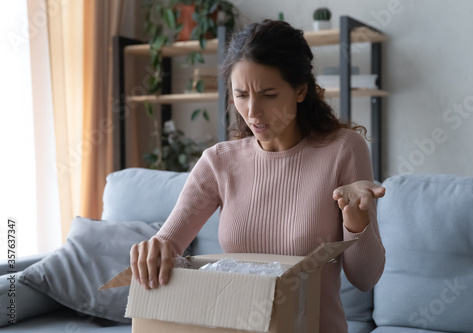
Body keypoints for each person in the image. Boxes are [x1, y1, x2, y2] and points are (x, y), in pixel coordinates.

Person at [130, 19, 386, 333]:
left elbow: (365, 279)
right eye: (241, 95)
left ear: (300, 90)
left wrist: (356, 220)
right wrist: (154, 250)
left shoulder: (343, 150)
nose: (252, 112)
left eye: (268, 95)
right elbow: (167, 245)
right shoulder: (219, 161)